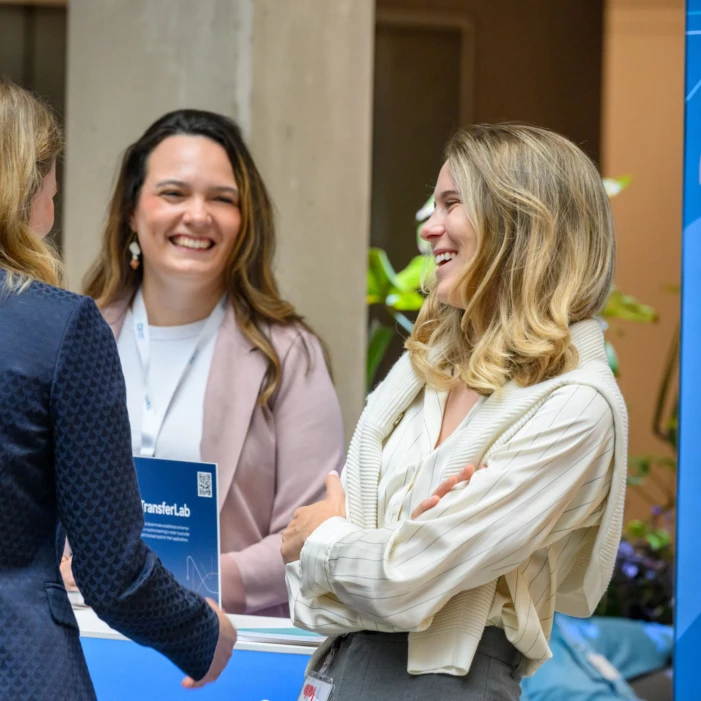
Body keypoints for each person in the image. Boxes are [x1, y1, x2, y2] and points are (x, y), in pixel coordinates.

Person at [282, 124, 628, 700]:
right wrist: (377, 547)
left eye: (452, 203)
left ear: (525, 223)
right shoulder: (424, 372)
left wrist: (327, 538)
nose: (428, 228)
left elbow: (398, 579)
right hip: (340, 669)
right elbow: (316, 588)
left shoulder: (577, 404)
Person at [0, 79, 237, 699]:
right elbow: (113, 572)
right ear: (30, 192)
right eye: (52, 189)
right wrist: (201, 633)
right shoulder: (59, 327)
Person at [62, 109, 344, 617]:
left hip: (231, 646)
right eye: (173, 193)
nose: (198, 214)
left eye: (222, 199)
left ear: (244, 220)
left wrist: (191, 579)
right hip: (78, 638)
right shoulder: (72, 337)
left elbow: (312, 530)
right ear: (131, 210)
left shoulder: (288, 356)